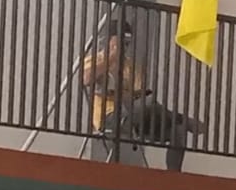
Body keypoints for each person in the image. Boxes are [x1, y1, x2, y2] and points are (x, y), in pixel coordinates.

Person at [82, 19, 204, 171]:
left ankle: (174, 175)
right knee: (150, 105)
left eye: (127, 44)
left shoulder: (131, 66)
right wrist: (112, 57)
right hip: (110, 117)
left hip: (135, 116)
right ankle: (182, 117)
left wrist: (128, 95)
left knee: (177, 129)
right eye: (122, 42)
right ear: (109, 40)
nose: (125, 47)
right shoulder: (95, 59)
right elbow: (86, 78)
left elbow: (139, 96)